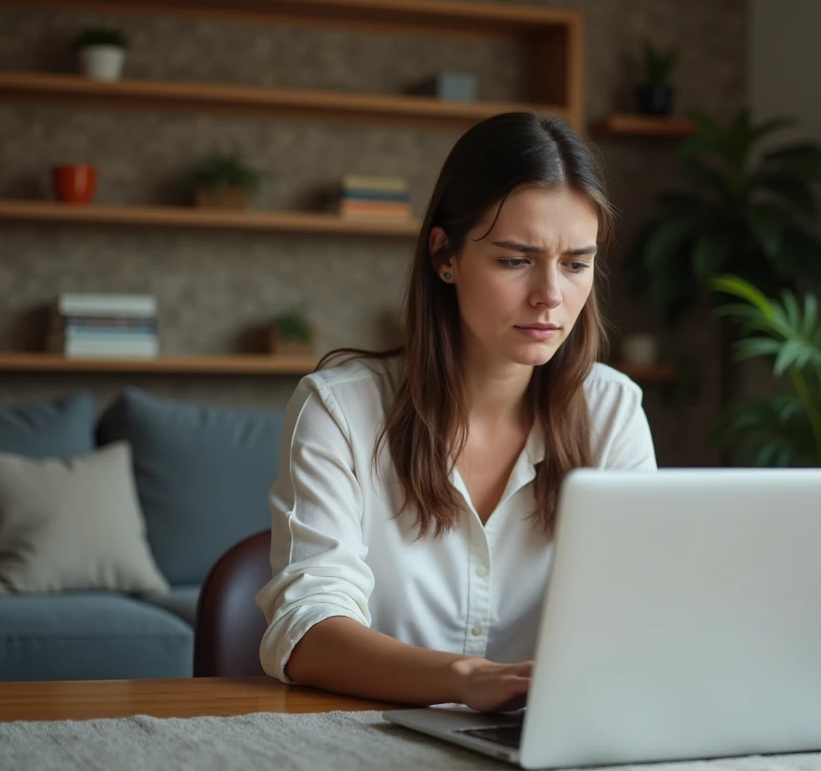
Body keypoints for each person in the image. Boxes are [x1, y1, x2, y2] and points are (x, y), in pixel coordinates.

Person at [255, 111, 657, 713]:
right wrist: (466, 678)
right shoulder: (340, 410)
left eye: (576, 263)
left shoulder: (612, 411)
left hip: (543, 744)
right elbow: (306, 630)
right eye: (516, 260)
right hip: (364, 737)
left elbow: (643, 611)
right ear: (445, 255)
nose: (550, 295)